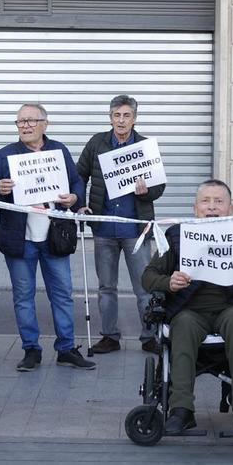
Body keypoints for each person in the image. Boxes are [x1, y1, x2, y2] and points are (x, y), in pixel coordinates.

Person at [141, 179, 233, 434]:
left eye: (219, 201)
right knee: (184, 323)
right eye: (206, 201)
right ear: (195, 208)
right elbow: (147, 277)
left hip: (229, 309)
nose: (212, 207)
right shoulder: (177, 235)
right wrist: (169, 282)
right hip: (190, 312)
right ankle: (181, 409)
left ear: (230, 208)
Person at [0, 103, 95, 372]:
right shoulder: (4, 156)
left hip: (55, 237)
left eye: (31, 120)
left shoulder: (59, 151)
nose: (25, 126)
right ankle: (31, 349)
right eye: (20, 122)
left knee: (63, 295)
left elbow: (76, 181)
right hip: (20, 240)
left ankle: (66, 348)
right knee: (23, 296)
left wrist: (76, 197)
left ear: (45, 124)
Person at [76, 95, 166, 356]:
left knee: (145, 286)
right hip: (104, 227)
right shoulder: (97, 143)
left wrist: (145, 190)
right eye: (117, 115)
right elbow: (78, 175)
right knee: (106, 287)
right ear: (110, 117)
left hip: (136, 230)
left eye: (126, 115)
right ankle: (109, 336)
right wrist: (80, 204)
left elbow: (159, 187)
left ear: (134, 118)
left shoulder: (146, 146)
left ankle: (150, 336)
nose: (121, 120)